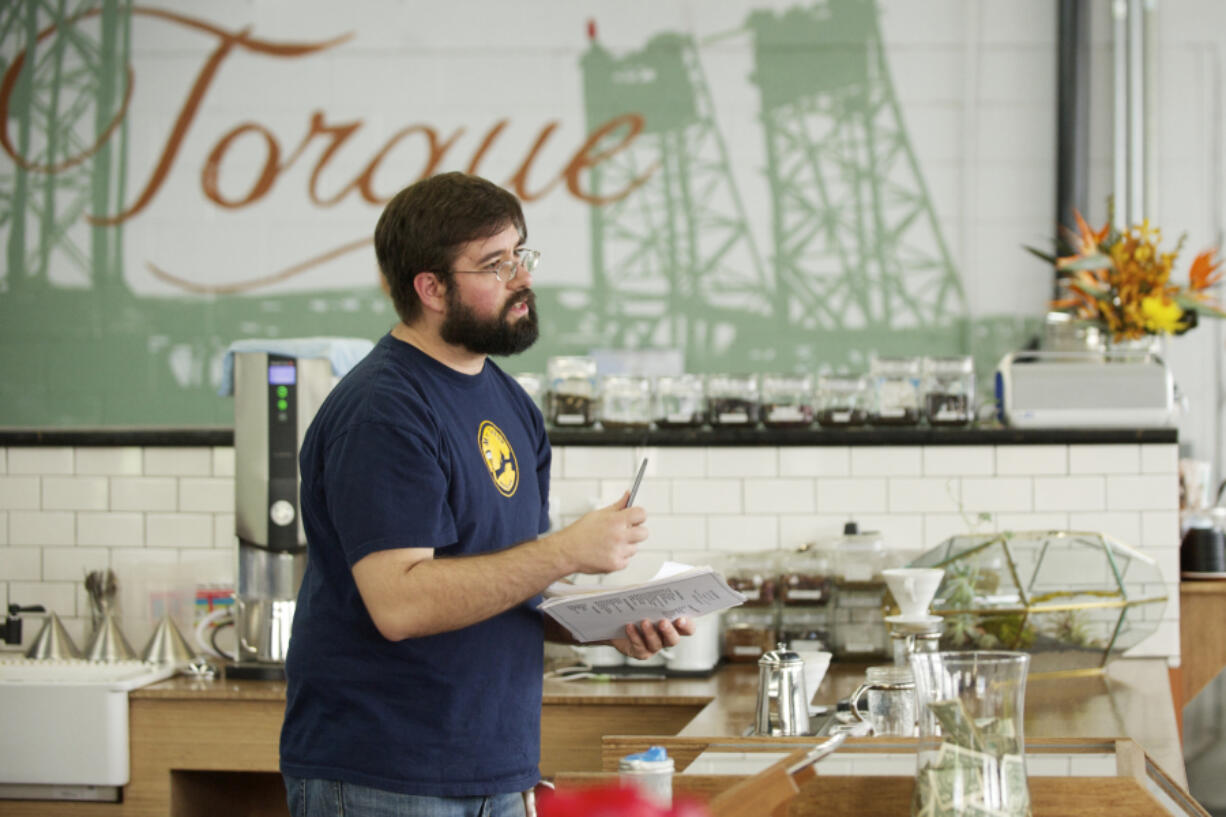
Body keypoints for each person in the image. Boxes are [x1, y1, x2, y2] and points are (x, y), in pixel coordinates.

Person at [279, 171, 693, 817]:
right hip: (386, 779)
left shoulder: (511, 404)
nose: (522, 277)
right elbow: (401, 602)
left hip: (494, 772)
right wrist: (566, 551)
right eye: (495, 264)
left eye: (521, 254)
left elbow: (503, 583)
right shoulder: (384, 410)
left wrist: (606, 623)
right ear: (431, 288)